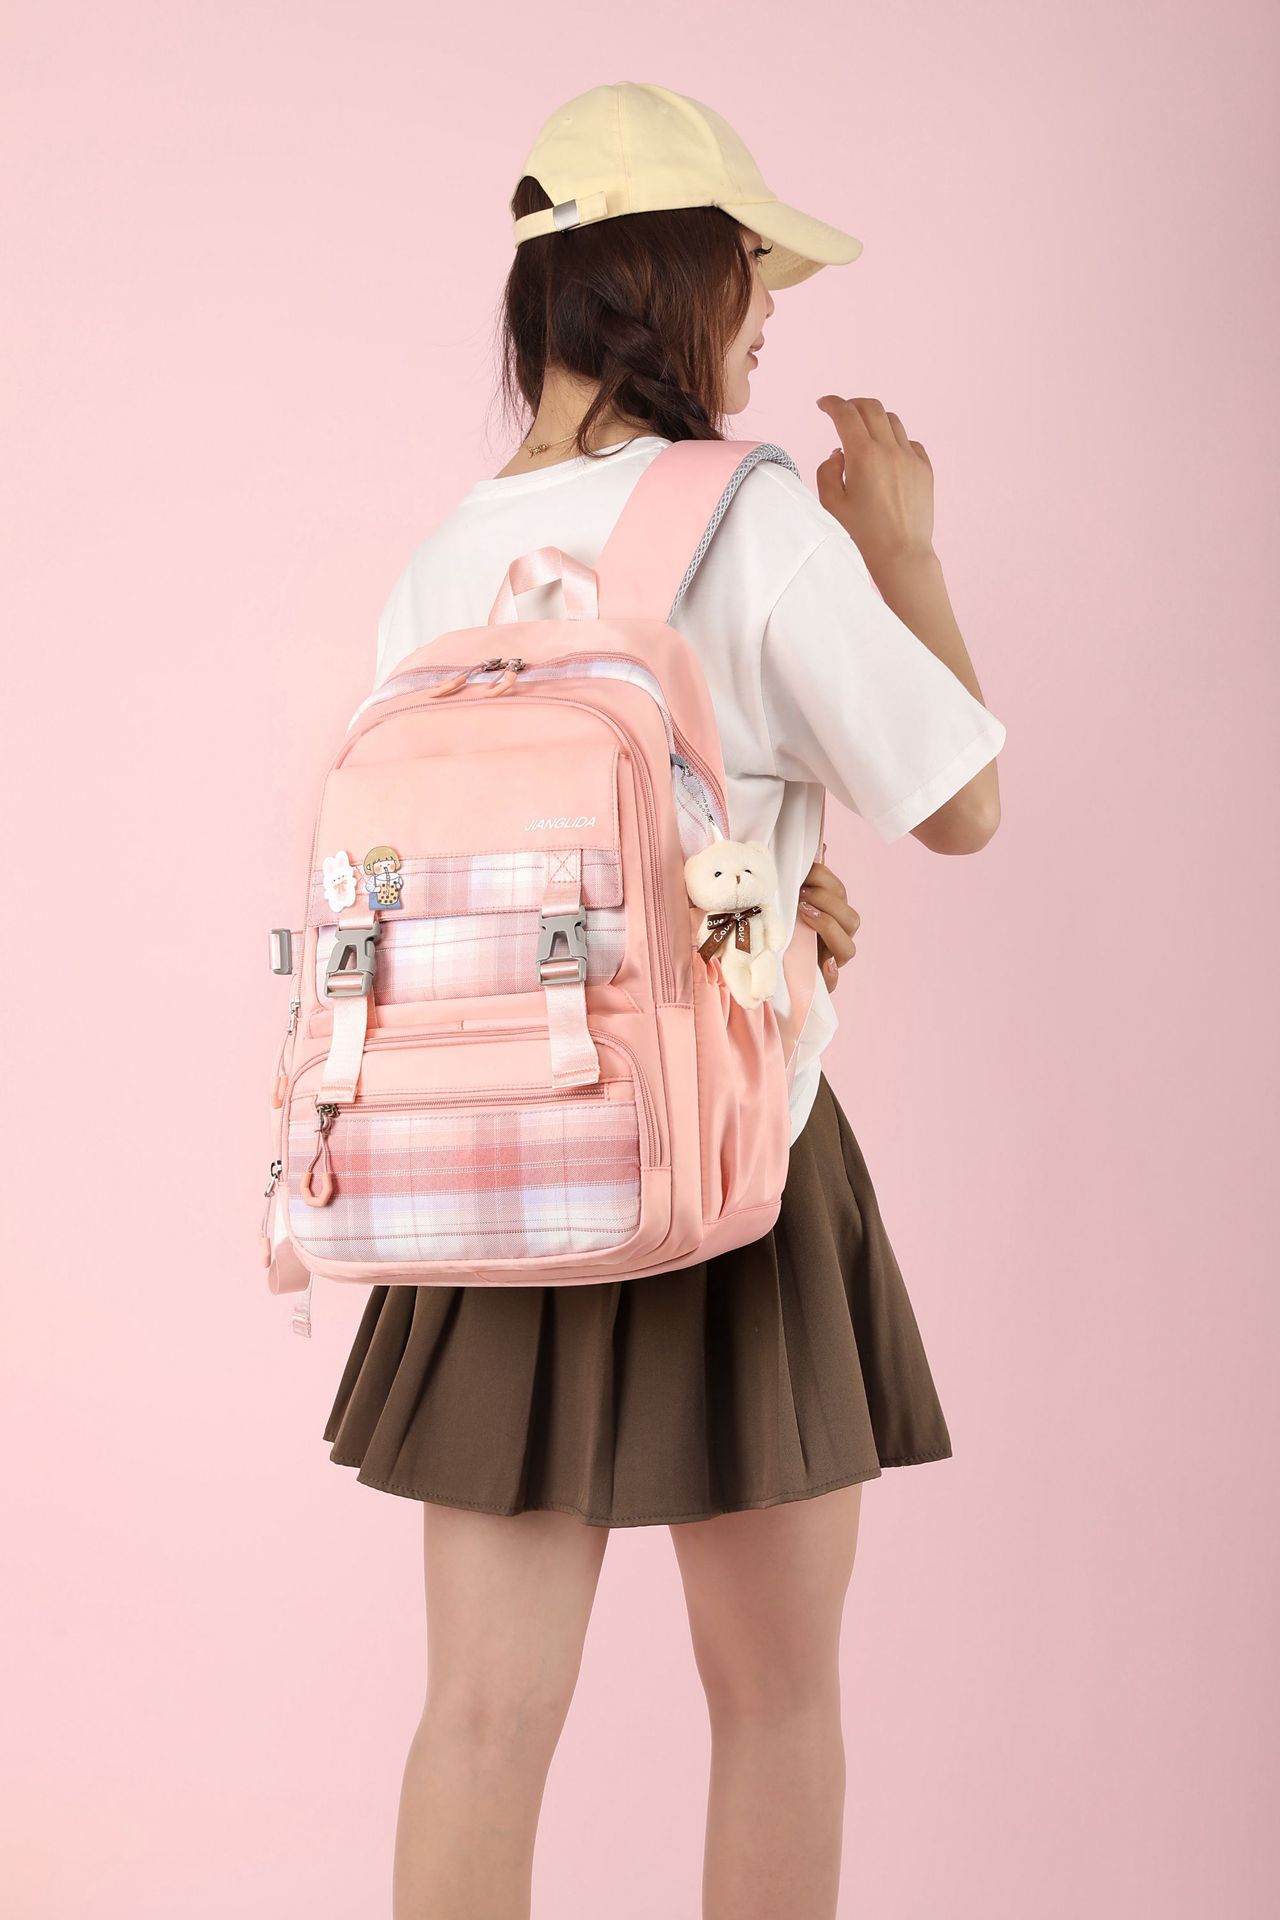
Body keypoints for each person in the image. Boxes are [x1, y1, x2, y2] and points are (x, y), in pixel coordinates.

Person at [321, 82, 1006, 1920]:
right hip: (732, 1165)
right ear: (682, 281)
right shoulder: (753, 518)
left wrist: (776, 888)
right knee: (774, 1702)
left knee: (479, 1721)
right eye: (754, 276)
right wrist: (907, 551)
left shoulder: (441, 558)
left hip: (492, 1168)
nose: (769, 317)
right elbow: (962, 803)